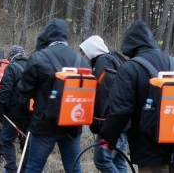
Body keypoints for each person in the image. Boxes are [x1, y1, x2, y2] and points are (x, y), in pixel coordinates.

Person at [99, 19, 174, 173]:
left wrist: (106, 140)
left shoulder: (129, 68)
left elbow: (120, 112)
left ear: (130, 43)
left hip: (149, 150)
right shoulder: (172, 62)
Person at [18, 18, 88, 173]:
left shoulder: (38, 58)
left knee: (34, 167)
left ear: (47, 35)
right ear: (66, 36)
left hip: (44, 125)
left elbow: (25, 91)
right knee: (74, 169)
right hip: (72, 124)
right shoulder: (81, 60)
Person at [79, 35, 128, 173]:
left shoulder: (103, 62)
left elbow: (104, 94)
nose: (84, 56)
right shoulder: (115, 59)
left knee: (102, 159)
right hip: (122, 122)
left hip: (110, 123)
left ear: (91, 50)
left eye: (84, 52)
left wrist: (96, 120)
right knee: (119, 163)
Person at [0, 45, 31, 173]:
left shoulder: (11, 68)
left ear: (11, 57)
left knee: (6, 140)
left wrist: (0, 106)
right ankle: (25, 169)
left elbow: (5, 89)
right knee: (26, 142)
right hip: (31, 114)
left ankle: (11, 169)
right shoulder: (33, 68)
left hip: (13, 114)